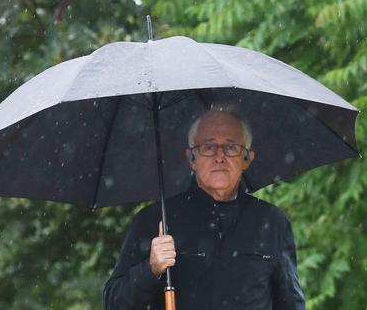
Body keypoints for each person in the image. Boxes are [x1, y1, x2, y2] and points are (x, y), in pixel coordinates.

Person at [103, 108, 306, 310]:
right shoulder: (154, 221)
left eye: (231, 147)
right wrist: (150, 269)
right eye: (208, 147)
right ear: (192, 158)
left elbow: (291, 304)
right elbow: (113, 303)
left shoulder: (272, 222)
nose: (219, 156)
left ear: (247, 158)